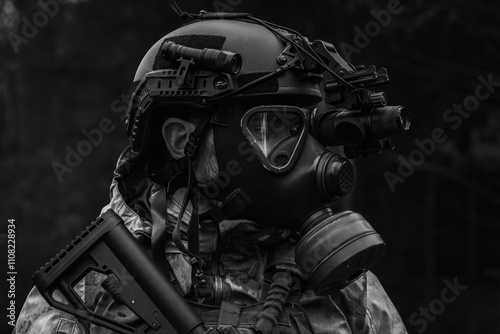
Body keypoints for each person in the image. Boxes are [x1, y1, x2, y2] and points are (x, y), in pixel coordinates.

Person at [16, 9, 408, 334]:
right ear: (180, 139)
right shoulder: (89, 289)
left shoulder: (346, 290)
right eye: (270, 129)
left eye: (304, 129)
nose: (305, 155)